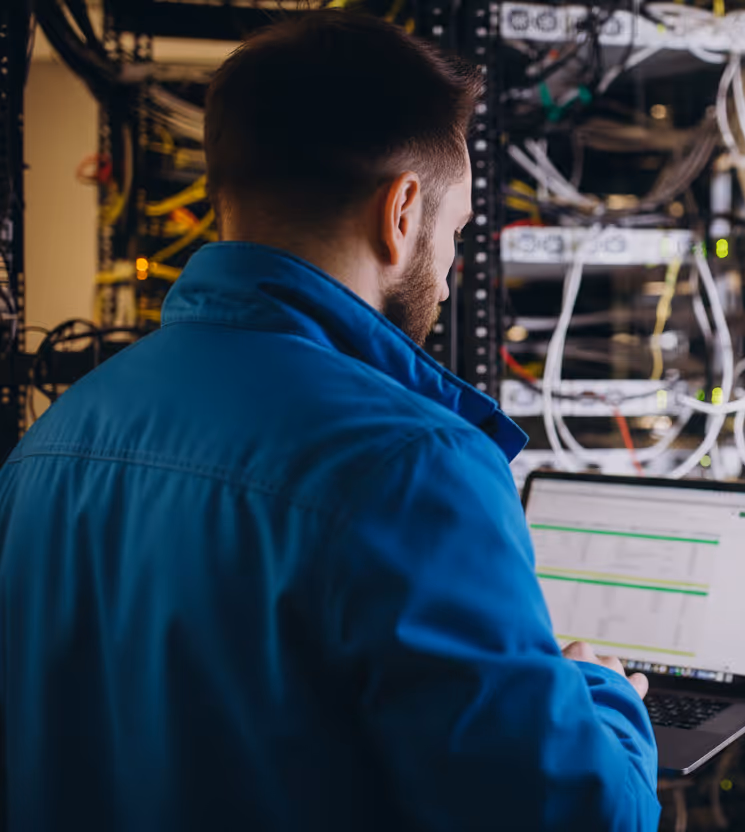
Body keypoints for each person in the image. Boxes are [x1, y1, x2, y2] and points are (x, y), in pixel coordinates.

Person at [0, 12, 659, 831]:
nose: (451, 274)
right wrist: (600, 694)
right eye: (453, 232)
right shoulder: (412, 465)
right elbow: (580, 816)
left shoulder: (51, 442)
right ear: (402, 212)